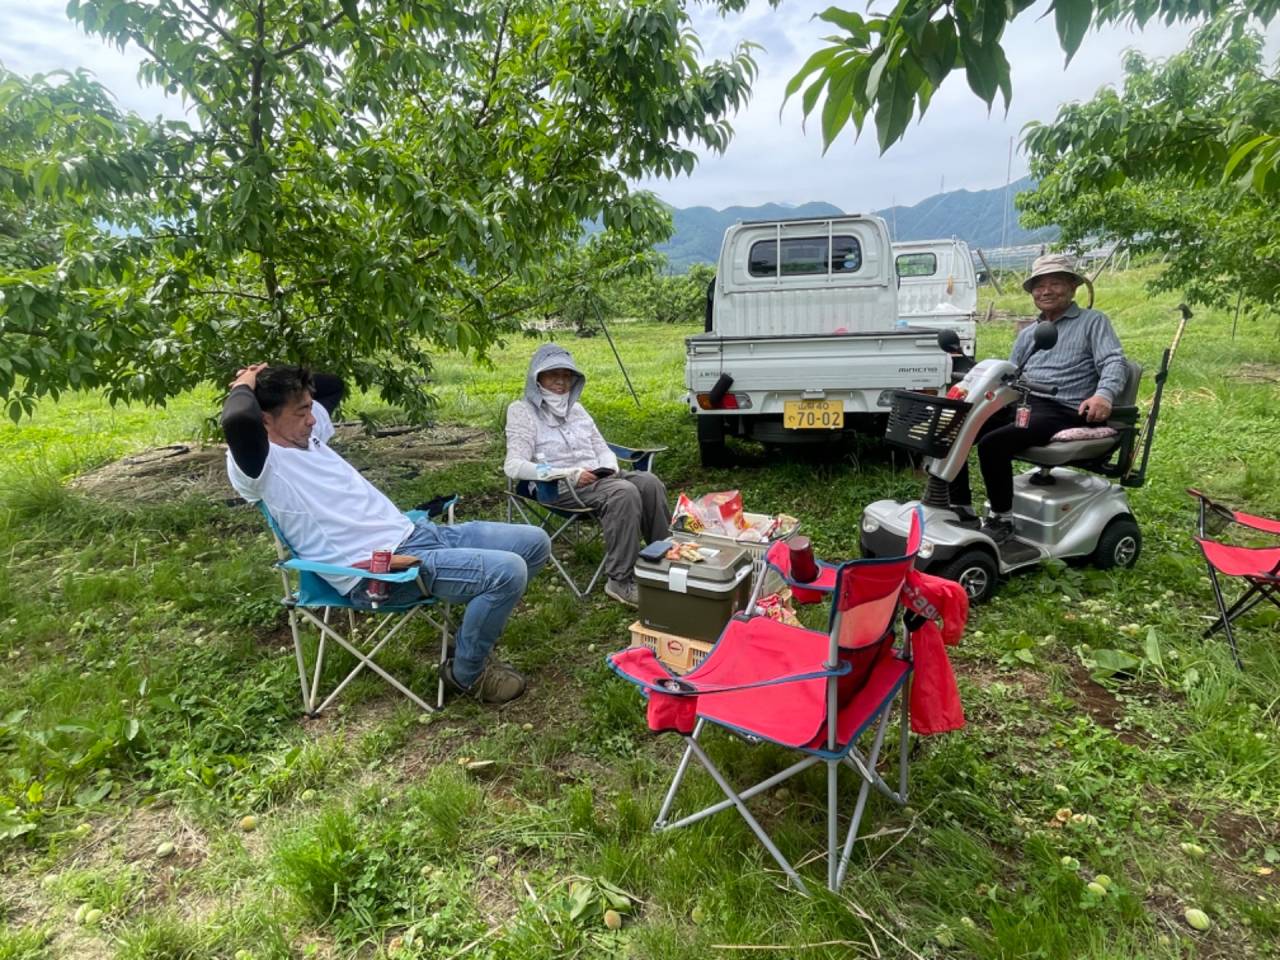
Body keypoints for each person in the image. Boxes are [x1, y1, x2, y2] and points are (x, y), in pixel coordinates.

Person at [222, 363, 551, 706]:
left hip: (416, 536)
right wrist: (244, 384)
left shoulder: (309, 435)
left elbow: (333, 383)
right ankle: (468, 674)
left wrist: (268, 376)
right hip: (375, 572)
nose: (312, 418)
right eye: (301, 411)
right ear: (264, 420)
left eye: (309, 408)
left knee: (534, 542)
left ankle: (469, 642)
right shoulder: (260, 465)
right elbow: (238, 420)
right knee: (507, 573)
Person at [949, 254, 1127, 543]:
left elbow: (1113, 362)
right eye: (1038, 286)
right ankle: (960, 507)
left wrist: (1103, 395)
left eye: (1055, 283)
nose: (1045, 291)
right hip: (1023, 404)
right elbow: (1010, 373)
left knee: (994, 445)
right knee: (955, 427)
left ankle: (1001, 519)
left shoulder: (1093, 322)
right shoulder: (1029, 332)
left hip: (1064, 407)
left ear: (1072, 287)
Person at [503, 344, 670, 607]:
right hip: (557, 487)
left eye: (566, 375)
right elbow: (514, 466)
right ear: (537, 379)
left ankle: (661, 561)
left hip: (600, 478)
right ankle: (619, 580)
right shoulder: (521, 411)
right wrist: (567, 474)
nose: (561, 382)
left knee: (650, 483)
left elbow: (601, 447)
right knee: (623, 493)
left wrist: (608, 466)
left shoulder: (577, 409)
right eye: (552, 375)